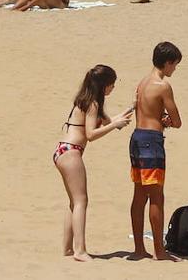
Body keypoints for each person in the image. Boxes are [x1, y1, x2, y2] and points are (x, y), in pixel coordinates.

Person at [54, 64, 134, 262]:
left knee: (74, 202)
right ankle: (80, 251)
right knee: (81, 201)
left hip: (62, 151)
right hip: (71, 153)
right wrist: (115, 125)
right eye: (112, 85)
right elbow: (90, 135)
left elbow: (109, 122)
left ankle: (67, 248)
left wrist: (132, 107)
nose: (112, 88)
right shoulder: (93, 105)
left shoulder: (85, 100)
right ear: (104, 85)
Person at [129, 41, 183, 262]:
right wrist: (167, 122)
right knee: (157, 197)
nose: (174, 70)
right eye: (175, 65)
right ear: (168, 62)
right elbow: (177, 120)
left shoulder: (142, 83)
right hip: (151, 141)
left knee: (139, 195)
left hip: (136, 138)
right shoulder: (162, 85)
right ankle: (159, 251)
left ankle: (139, 248)